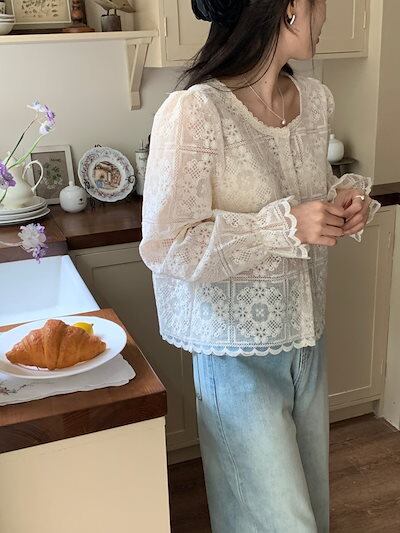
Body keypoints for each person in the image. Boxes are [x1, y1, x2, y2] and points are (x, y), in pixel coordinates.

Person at [138, 0, 382, 531]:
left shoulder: (313, 100)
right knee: (281, 522)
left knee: (310, 508)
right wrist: (285, 227)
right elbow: (166, 244)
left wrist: (342, 203)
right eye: (319, 3)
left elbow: (304, 193)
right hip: (235, 355)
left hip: (306, 339)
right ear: (291, 9)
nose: (325, 16)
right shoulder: (195, 111)